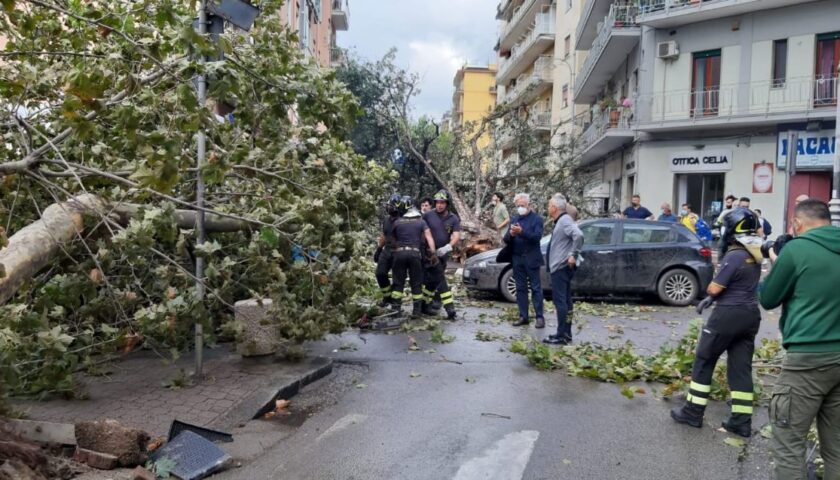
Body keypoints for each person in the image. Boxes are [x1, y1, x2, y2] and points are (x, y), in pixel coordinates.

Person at [759, 200, 840, 479]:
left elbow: (768, 297)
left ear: (797, 224)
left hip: (807, 361)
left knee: (789, 442)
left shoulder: (796, 250)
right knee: (837, 448)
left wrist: (776, 263)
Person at [671, 208, 763, 437]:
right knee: (740, 368)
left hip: (728, 315)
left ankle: (693, 412)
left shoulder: (734, 255)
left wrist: (711, 294)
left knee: (704, 359)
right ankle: (741, 422)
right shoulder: (755, 253)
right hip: (750, 315)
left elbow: (715, 287)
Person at [543, 194, 583, 345]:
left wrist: (573, 254)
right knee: (566, 301)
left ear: (554, 208)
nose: (548, 208)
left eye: (549, 205)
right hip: (560, 266)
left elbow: (578, 235)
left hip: (561, 267)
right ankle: (566, 333)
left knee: (561, 302)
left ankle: (561, 335)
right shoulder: (561, 220)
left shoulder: (565, 220)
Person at [389, 196, 436, 318]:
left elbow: (392, 241)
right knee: (416, 283)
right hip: (415, 254)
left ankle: (395, 310)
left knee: (398, 283)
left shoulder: (397, 222)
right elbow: (429, 238)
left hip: (399, 254)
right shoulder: (421, 222)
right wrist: (433, 254)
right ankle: (416, 312)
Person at [505, 193, 545, 328]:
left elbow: (536, 237)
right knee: (520, 288)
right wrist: (511, 234)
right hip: (517, 258)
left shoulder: (537, 219)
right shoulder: (514, 219)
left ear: (529, 205)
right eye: (518, 206)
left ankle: (540, 317)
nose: (520, 208)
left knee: (536, 288)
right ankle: (523, 316)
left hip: (532, 258)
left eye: (523, 205)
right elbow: (505, 239)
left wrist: (521, 232)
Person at [421, 190, 461, 320]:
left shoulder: (453, 218)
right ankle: (450, 308)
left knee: (433, 280)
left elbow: (456, 235)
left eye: (442, 202)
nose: (439, 205)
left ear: (447, 203)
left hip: (443, 253)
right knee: (440, 278)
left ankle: (423, 304)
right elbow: (421, 231)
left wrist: (448, 247)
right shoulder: (428, 215)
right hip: (429, 254)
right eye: (437, 202)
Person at [374, 194, 400, 305]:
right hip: (387, 250)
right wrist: (379, 249)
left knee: (397, 278)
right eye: (388, 206)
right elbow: (384, 235)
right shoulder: (386, 220)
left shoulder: (403, 220)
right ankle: (387, 296)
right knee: (380, 273)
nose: (389, 208)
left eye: (391, 206)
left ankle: (396, 302)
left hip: (399, 252)